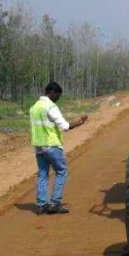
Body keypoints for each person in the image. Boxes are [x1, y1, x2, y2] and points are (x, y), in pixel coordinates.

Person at [29, 82, 88, 215]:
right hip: (52, 145)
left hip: (38, 146)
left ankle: (41, 205)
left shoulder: (34, 107)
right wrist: (80, 122)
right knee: (61, 171)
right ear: (52, 92)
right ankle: (55, 203)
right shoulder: (50, 106)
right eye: (58, 95)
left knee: (43, 174)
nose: (58, 98)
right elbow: (65, 126)